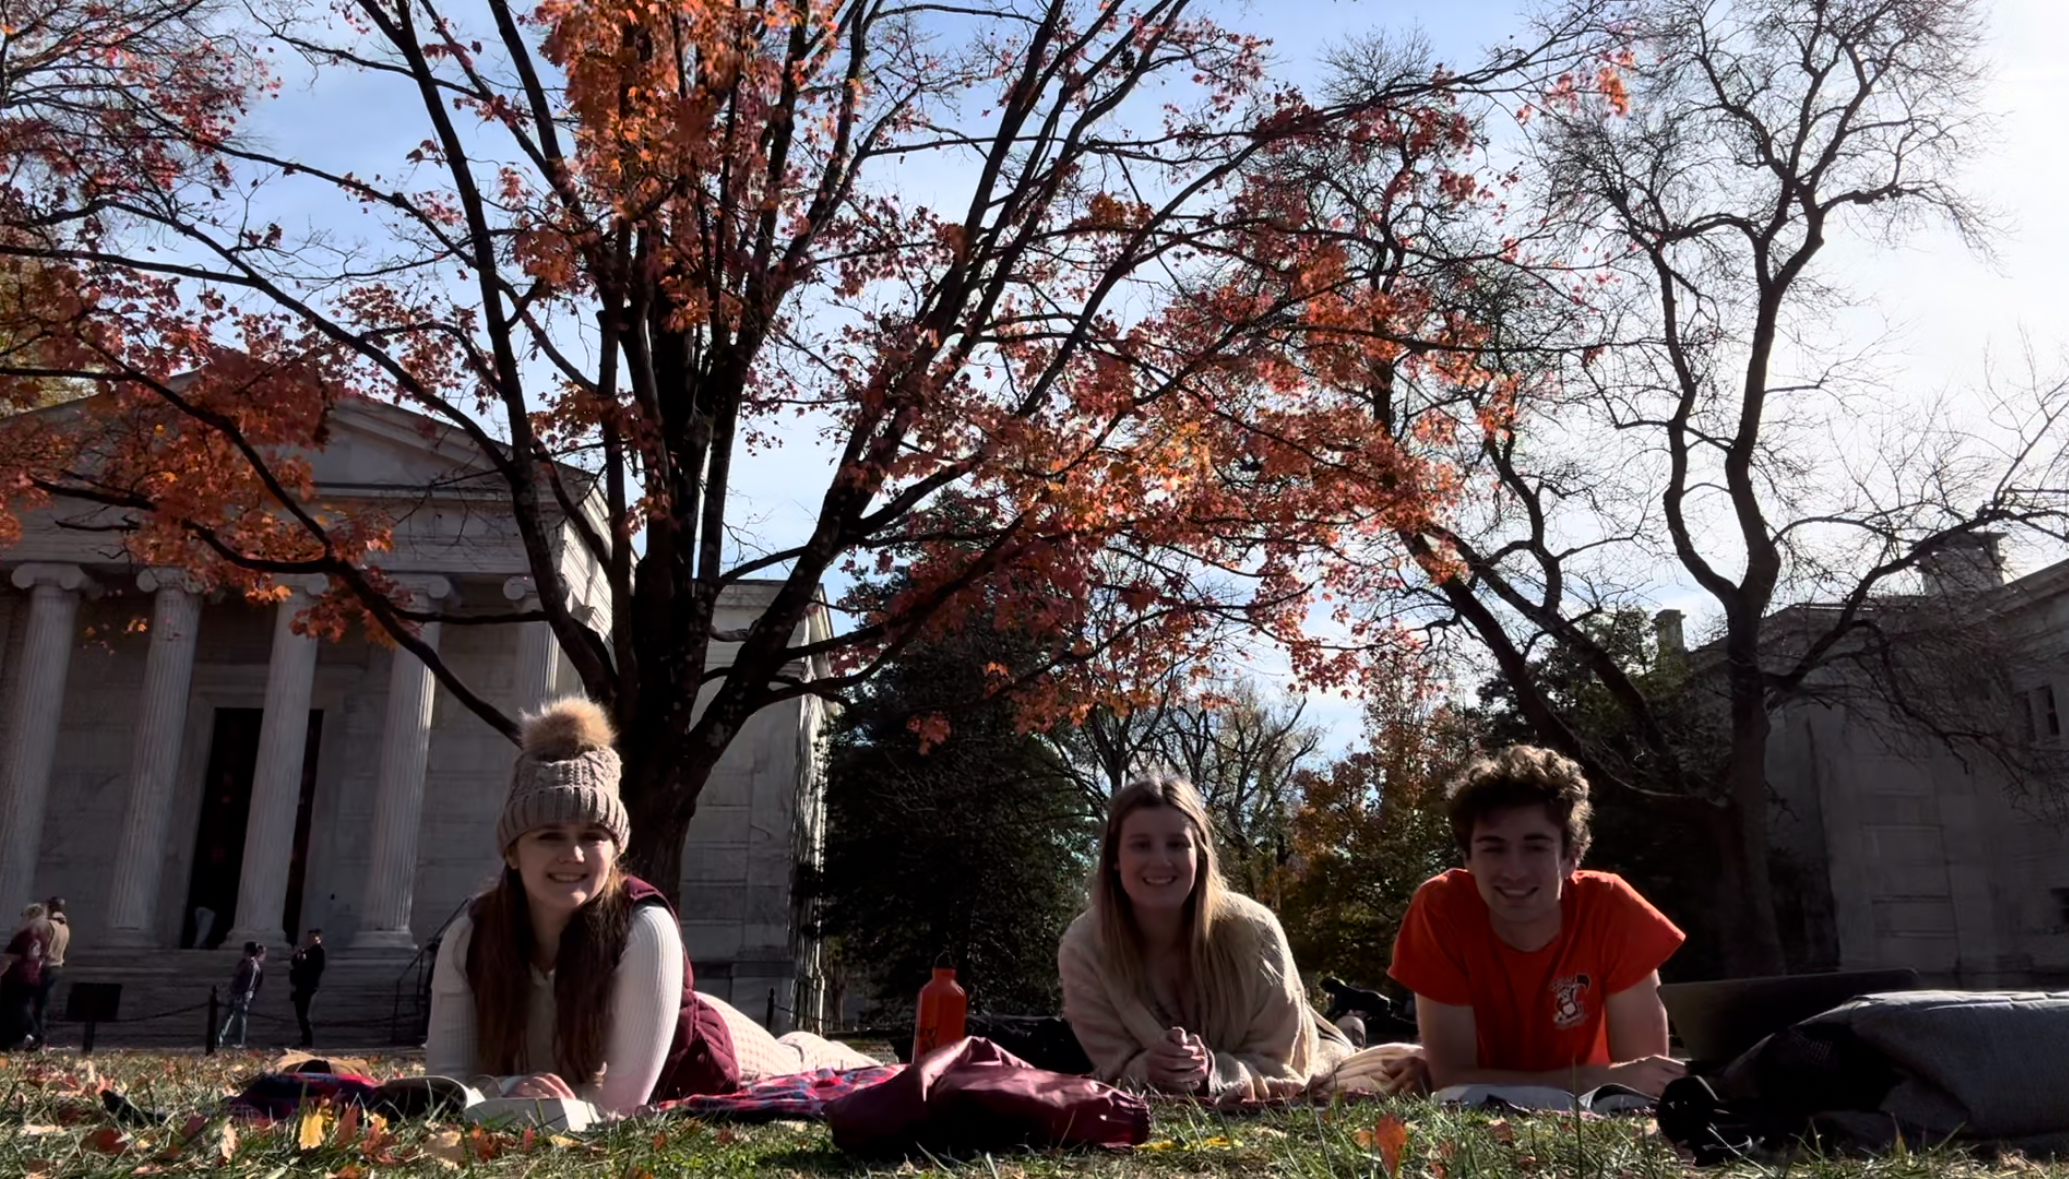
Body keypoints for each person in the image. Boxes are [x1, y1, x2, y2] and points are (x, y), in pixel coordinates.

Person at [426, 697, 873, 1116]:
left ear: (616, 849)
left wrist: (503, 1097)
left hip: (712, 1053)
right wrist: (510, 1090)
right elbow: (443, 1088)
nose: (574, 855)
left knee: (802, 1060)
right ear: (512, 852)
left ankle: (822, 1048)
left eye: (593, 836)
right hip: (591, 1083)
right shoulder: (471, 934)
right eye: (549, 836)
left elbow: (619, 1107)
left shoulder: (644, 924)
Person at [1388, 746, 1687, 1095]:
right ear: (1467, 858)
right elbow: (1452, 1080)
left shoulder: (1610, 906)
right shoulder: (1441, 907)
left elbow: (1646, 1080)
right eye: (1493, 848)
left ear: (1571, 858)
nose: (1514, 871)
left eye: (1535, 847)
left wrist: (1470, 1078)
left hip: (1594, 1116)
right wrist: (1597, 1079)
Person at [1059, 774, 1352, 1101]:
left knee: (1351, 1052)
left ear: (1200, 854)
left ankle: (1352, 1024)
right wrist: (1148, 1069)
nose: (1160, 861)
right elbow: (1109, 1066)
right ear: (1114, 858)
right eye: (1141, 845)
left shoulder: (1255, 929)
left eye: (1177, 844)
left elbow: (1285, 1062)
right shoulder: (1084, 947)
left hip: (1313, 1041)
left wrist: (1213, 1072)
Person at [1, 903, 50, 1050]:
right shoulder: (42, 937)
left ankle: (32, 1034)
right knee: (22, 1006)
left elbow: (8, 959)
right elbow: (41, 959)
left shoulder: (23, 936)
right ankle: (24, 1036)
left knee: (13, 1008)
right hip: (32, 977)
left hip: (16, 977)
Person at [32, 897, 68, 1046]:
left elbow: (37, 945)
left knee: (35, 1005)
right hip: (57, 967)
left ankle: (37, 1037)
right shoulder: (64, 926)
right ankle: (40, 1037)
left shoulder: (47, 925)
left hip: (45, 967)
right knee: (43, 1005)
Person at [221, 942, 265, 1049]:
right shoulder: (244, 963)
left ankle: (238, 1041)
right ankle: (221, 1038)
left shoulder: (252, 965)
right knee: (229, 1017)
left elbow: (249, 983)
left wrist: (242, 994)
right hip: (237, 993)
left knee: (240, 1018)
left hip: (242, 995)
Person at [289, 929, 326, 1048]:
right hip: (300, 986)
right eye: (309, 937)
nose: (310, 940)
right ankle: (304, 1039)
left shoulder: (319, 951)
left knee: (304, 1015)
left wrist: (304, 960)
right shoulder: (306, 951)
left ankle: (308, 1040)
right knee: (300, 1014)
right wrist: (298, 955)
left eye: (314, 937)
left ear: (319, 938)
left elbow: (316, 968)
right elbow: (295, 964)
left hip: (309, 987)